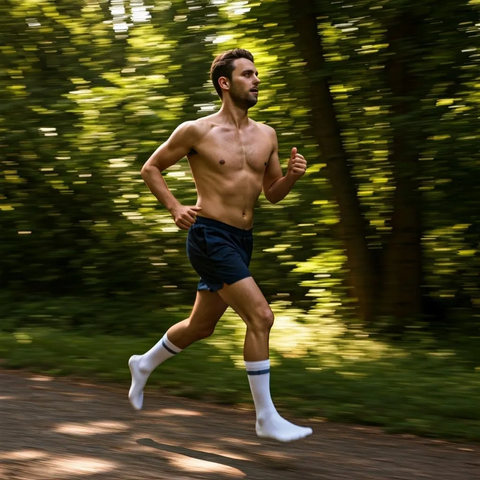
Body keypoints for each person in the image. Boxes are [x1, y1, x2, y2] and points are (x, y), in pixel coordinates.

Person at [128, 48, 312, 442]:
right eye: (248, 74)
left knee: (201, 326)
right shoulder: (198, 131)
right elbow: (151, 168)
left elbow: (272, 193)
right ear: (225, 83)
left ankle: (143, 364)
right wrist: (175, 206)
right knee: (261, 316)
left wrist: (293, 177)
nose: (257, 80)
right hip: (209, 235)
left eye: (257, 74)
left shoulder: (268, 135)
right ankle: (265, 417)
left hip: (242, 240)